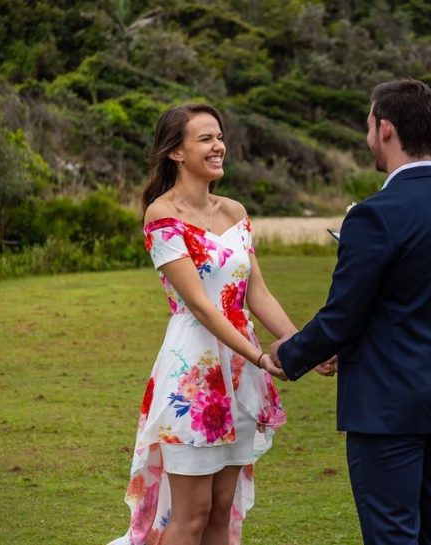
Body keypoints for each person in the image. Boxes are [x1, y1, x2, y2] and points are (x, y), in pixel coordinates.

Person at [269, 79, 431, 545]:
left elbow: (343, 314)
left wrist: (291, 353)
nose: (368, 137)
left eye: (369, 126)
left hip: (388, 409)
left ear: (385, 129)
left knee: (392, 535)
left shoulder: (374, 215)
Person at [109, 103, 292, 545]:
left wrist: (301, 343)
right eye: (206, 138)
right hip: (195, 371)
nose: (218, 146)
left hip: (240, 372)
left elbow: (257, 293)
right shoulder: (162, 215)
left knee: (220, 512)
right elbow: (201, 306)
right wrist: (262, 357)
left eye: (220, 137)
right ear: (176, 151)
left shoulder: (234, 211)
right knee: (190, 517)